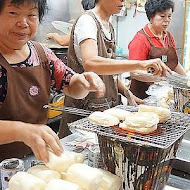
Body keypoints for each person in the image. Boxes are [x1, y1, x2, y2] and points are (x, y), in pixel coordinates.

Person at [0, 0, 106, 162]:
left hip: (36, 158)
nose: (23, 23)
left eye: (31, 15)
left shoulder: (41, 53)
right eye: (13, 13)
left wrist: (83, 81)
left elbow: (72, 87)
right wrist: (21, 130)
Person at [58, 0, 171, 138]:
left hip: (104, 106)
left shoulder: (109, 26)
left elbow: (108, 72)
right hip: (84, 109)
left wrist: (126, 92)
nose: (123, 1)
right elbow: (91, 63)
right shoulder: (87, 22)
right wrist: (140, 64)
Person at [128, 0, 186, 99]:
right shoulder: (141, 40)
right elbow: (134, 72)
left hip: (163, 94)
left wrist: (186, 79)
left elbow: (174, 63)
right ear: (151, 17)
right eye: (162, 16)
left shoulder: (168, 36)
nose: (167, 20)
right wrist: (159, 79)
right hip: (143, 96)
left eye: (169, 16)